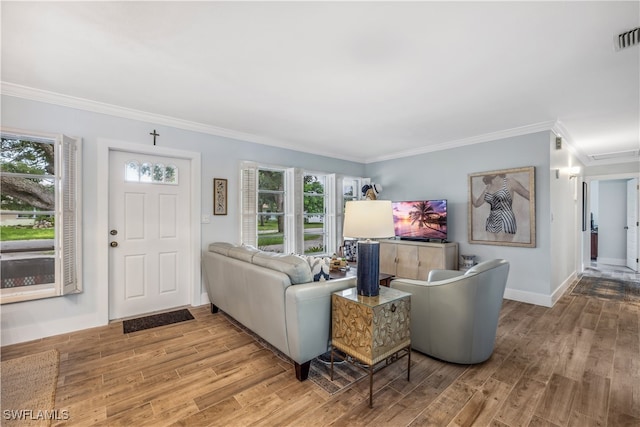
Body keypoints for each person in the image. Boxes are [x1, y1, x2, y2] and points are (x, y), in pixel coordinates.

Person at [472, 173, 529, 242]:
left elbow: (529, 195)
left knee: (503, 248)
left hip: (506, 219)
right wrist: (468, 191)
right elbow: (477, 203)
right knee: (492, 248)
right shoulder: (488, 187)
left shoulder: (510, 182)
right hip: (491, 221)